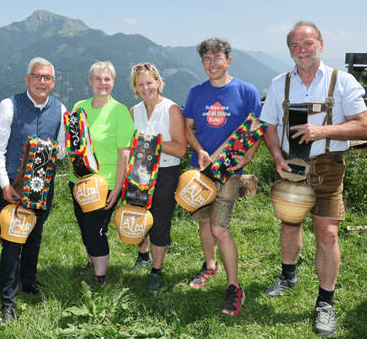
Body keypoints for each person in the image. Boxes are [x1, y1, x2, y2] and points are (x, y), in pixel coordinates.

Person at [260, 21, 367, 336]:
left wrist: (321, 130)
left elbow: (364, 126)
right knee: (289, 223)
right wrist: (277, 157)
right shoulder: (279, 83)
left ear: (321, 44)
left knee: (328, 233)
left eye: (308, 43)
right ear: (289, 51)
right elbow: (268, 125)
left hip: (327, 167)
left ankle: (325, 301)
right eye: (295, 46)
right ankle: (288, 275)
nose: (302, 50)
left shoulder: (342, 81)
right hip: (291, 165)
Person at [183, 37, 261, 316]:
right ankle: (210, 265)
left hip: (229, 171)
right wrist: (199, 150)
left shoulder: (246, 91)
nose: (212, 63)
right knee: (204, 222)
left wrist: (248, 157)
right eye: (207, 58)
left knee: (219, 229)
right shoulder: (196, 92)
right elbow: (187, 127)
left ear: (229, 60)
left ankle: (234, 286)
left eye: (217, 57)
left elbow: (255, 129)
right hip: (199, 170)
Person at [0, 57, 67, 323]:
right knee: (12, 243)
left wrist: (48, 150)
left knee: (34, 235)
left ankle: (29, 281)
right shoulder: (8, 105)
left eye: (47, 78)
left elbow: (63, 149)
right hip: (14, 186)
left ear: (53, 82)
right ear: (27, 79)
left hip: (43, 186)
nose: (41, 82)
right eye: (37, 76)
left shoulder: (60, 108)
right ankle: (8, 302)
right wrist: (4, 185)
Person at [68, 61, 134, 287]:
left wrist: (118, 188)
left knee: (95, 231)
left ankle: (100, 277)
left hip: (105, 184)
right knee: (83, 226)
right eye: (98, 79)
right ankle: (92, 261)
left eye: (107, 79)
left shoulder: (119, 111)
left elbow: (124, 153)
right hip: (78, 181)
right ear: (90, 82)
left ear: (113, 82)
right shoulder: (79, 107)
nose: (102, 83)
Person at [128, 62, 187, 294]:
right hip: (139, 170)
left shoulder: (171, 109)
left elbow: (180, 149)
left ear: (158, 82)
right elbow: (129, 145)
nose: (146, 88)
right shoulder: (133, 111)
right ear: (135, 87)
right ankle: (142, 256)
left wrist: (150, 142)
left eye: (149, 83)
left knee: (160, 222)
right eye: (140, 84)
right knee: (139, 216)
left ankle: (156, 271)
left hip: (165, 172)